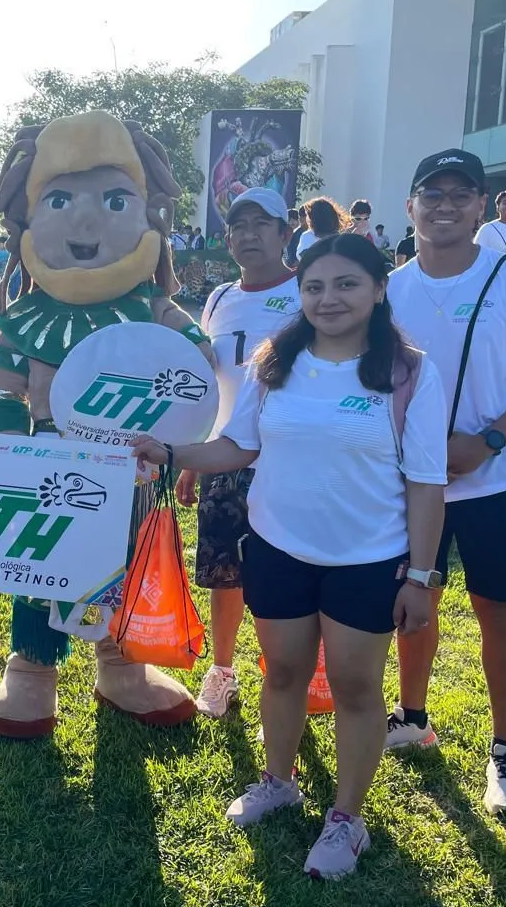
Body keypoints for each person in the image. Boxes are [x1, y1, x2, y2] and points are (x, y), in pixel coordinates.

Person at [133, 232, 447, 878]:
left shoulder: (410, 370)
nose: (328, 299)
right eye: (314, 287)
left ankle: (346, 820)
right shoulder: (275, 360)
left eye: (345, 284)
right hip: (278, 548)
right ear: (299, 293)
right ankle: (279, 780)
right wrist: (171, 454)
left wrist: (420, 575)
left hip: (368, 557)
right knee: (281, 674)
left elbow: (426, 481)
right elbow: (238, 447)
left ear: (378, 289)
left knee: (358, 688)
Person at [385, 148, 506, 819]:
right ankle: (411, 716)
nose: (443, 205)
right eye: (429, 193)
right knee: (414, 601)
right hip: (413, 486)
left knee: (499, 611)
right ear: (410, 207)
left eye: (459, 194)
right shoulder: (390, 287)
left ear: (481, 207)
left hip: (498, 483)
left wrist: (488, 441)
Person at [182, 187, 301, 719]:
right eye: (237, 226)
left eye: (261, 224)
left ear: (285, 231)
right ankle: (223, 672)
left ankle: (290, 676)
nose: (248, 234)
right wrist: (192, 457)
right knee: (223, 573)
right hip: (225, 460)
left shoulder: (309, 292)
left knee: (289, 576)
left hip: (290, 463)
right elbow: (207, 385)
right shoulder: (218, 298)